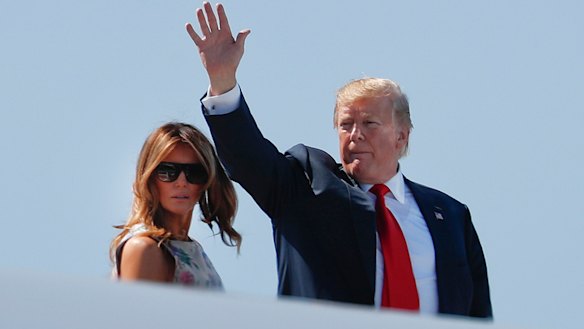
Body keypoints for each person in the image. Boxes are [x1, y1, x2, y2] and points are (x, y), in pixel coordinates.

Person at [186, 2, 492, 317]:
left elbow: (478, 312)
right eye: (346, 125)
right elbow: (246, 156)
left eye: (370, 124)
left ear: (402, 135)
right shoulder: (305, 184)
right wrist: (222, 82)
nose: (355, 134)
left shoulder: (451, 215)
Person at [110, 122, 241, 288]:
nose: (181, 182)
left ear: (208, 180)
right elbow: (134, 314)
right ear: (149, 177)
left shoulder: (192, 250)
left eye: (195, 173)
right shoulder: (144, 249)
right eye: (167, 171)